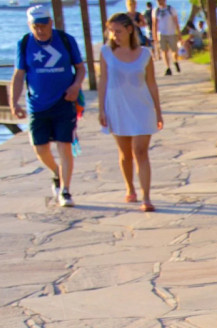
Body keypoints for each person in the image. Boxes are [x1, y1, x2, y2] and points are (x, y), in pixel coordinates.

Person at [10, 5, 87, 207]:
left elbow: (80, 68)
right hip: (37, 105)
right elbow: (19, 75)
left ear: (51, 23)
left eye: (44, 25)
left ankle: (66, 191)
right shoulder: (25, 43)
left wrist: (76, 86)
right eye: (36, 26)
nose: (41, 30)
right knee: (40, 148)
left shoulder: (65, 40)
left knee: (65, 147)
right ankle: (56, 172)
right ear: (29, 25)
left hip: (64, 102)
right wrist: (13, 103)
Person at [99, 12, 164, 211]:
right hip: (117, 107)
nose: (114, 36)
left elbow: (151, 83)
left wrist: (158, 111)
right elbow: (103, 81)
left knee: (140, 151)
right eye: (111, 32)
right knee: (125, 153)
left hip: (142, 107)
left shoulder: (145, 54)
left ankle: (146, 197)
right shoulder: (106, 52)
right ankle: (130, 188)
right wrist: (101, 108)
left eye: (118, 31)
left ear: (129, 30)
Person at [152, 0, 181, 75]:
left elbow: (176, 21)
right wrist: (154, 35)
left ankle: (175, 61)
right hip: (161, 34)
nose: (158, 1)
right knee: (164, 50)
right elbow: (154, 23)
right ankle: (168, 68)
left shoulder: (170, 9)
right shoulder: (156, 11)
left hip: (171, 33)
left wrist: (178, 33)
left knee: (174, 51)